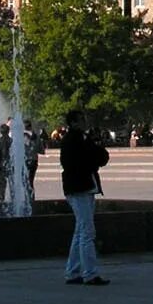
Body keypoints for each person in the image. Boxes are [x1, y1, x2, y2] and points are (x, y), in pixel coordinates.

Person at [60, 110, 110, 286]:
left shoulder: (82, 139)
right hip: (79, 188)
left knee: (80, 231)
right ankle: (90, 273)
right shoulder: (72, 141)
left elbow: (102, 156)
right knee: (87, 231)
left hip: (85, 187)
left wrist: (93, 157)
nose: (85, 122)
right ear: (73, 123)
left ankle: (72, 272)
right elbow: (77, 163)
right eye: (81, 120)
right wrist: (93, 159)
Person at [0, 124, 12, 207]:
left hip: (1, 166)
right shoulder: (12, 141)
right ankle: (14, 203)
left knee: (1, 187)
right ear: (8, 131)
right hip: (11, 166)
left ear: (0, 131)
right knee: (13, 186)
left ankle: (0, 204)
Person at [23, 119, 40, 191]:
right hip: (34, 160)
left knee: (24, 181)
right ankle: (31, 199)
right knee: (31, 181)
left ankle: (25, 199)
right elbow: (41, 150)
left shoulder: (21, 136)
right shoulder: (36, 136)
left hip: (25, 160)